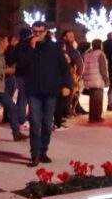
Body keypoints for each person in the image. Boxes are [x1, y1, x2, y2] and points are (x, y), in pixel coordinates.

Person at [15, 21, 72, 167]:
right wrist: (31, 48)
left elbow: (65, 69)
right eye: (35, 31)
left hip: (50, 91)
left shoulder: (54, 47)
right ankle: (35, 154)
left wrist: (66, 85)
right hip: (33, 91)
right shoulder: (25, 46)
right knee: (35, 122)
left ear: (46, 32)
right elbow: (21, 64)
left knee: (47, 124)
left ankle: (43, 151)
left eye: (40, 31)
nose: (37, 34)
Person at [82, 39, 109, 123]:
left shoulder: (87, 54)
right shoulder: (100, 54)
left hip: (89, 78)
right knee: (98, 100)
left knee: (92, 99)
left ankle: (91, 116)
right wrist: (106, 80)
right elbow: (103, 69)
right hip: (97, 79)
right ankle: (97, 116)